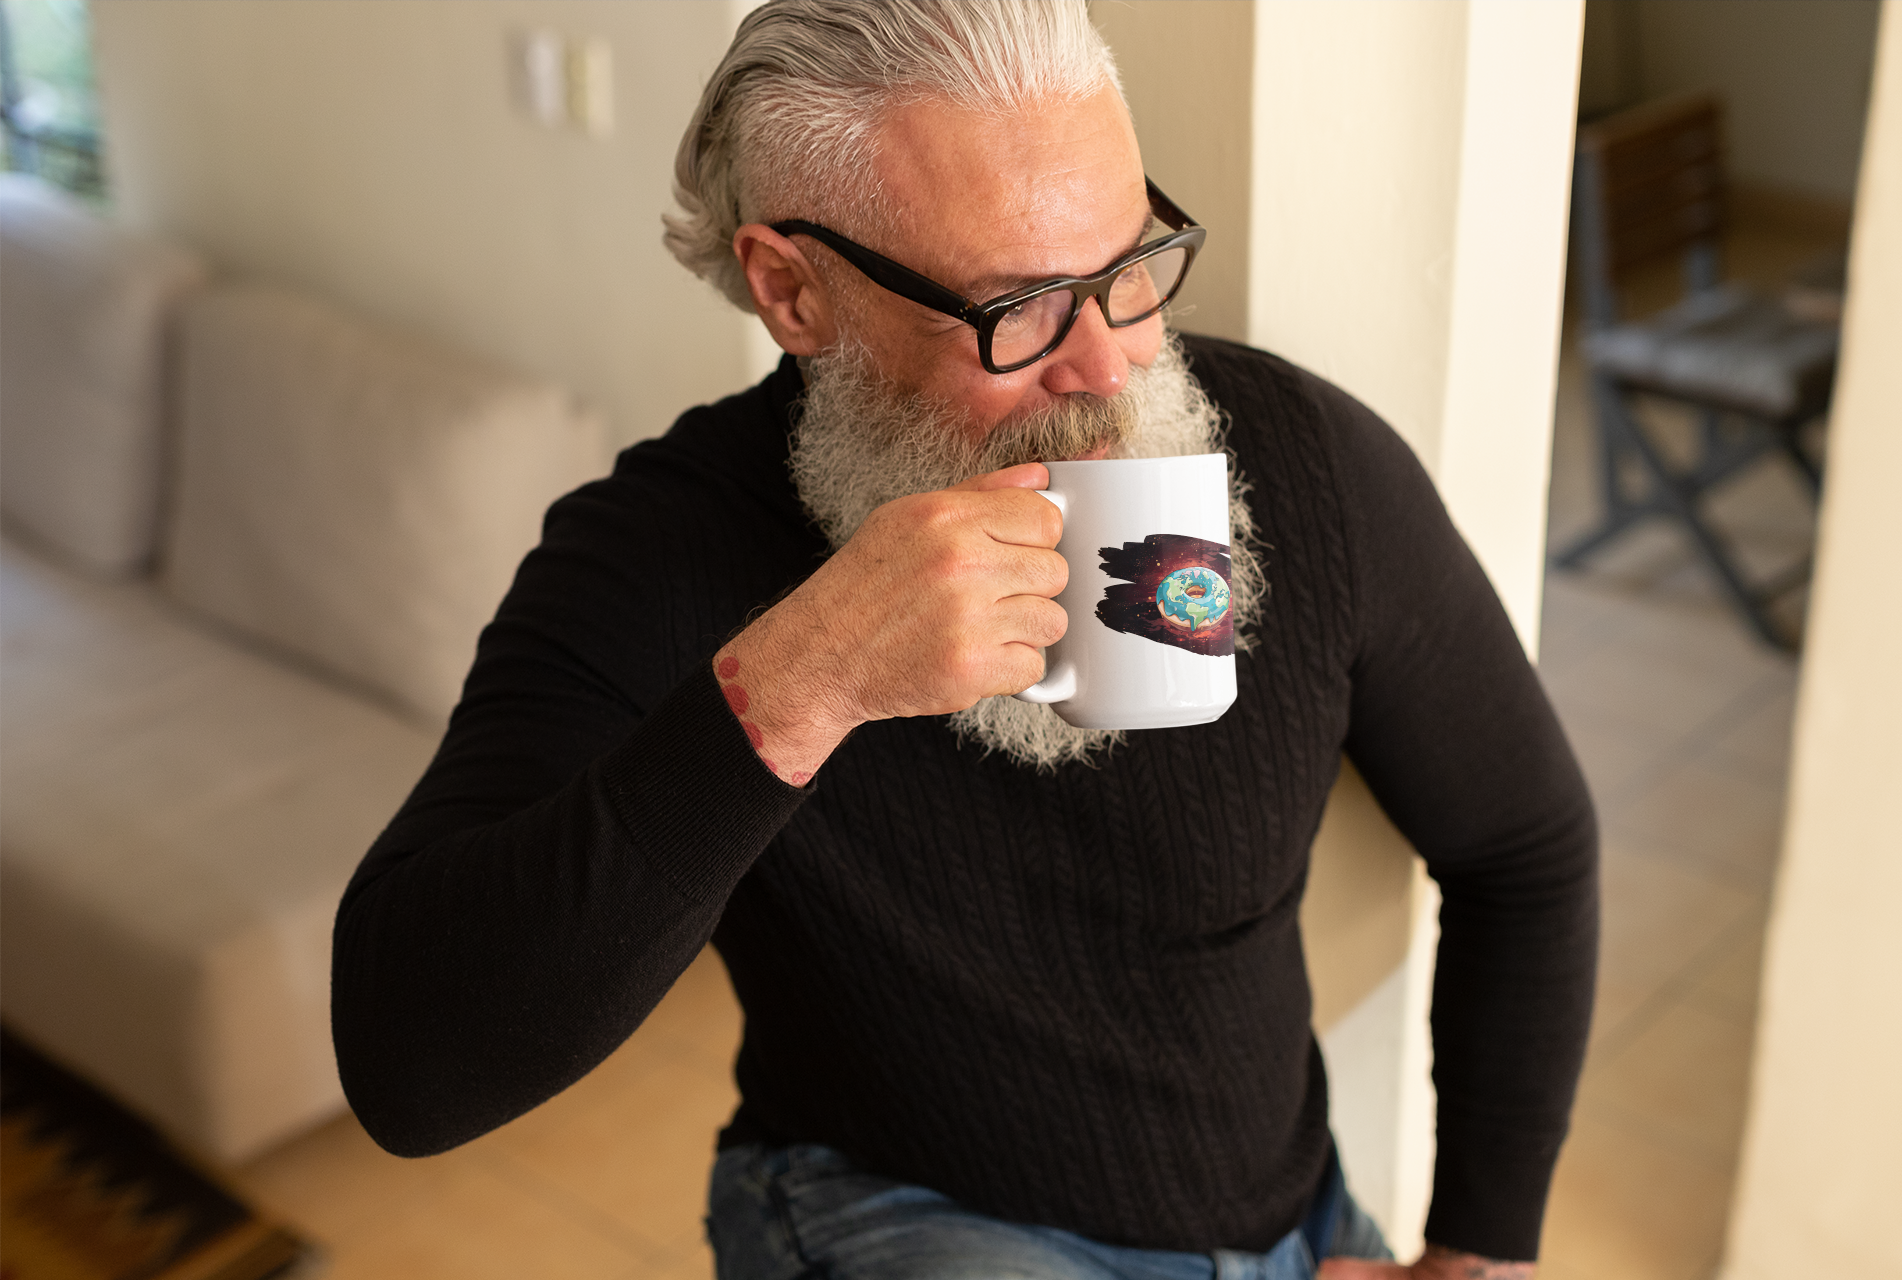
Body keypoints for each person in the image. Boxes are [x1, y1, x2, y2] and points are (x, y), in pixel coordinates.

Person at [330, 4, 1598, 1278]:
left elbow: (1526, 845)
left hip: (1298, 1224)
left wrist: (1481, 1250)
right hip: (902, 1209)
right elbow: (408, 1070)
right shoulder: (653, 554)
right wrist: (804, 678)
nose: (1109, 369)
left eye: (1128, 265)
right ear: (793, 289)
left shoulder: (1298, 461)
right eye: (1024, 306)